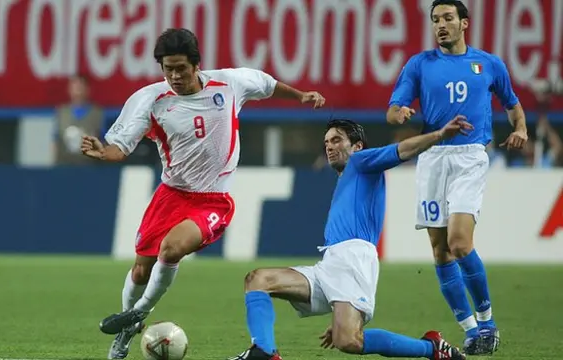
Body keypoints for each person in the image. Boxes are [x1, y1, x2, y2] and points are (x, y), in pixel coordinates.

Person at [80, 28, 326, 360]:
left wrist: (299, 96)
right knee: (141, 270)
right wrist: (102, 151)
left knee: (172, 248)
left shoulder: (229, 84)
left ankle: (139, 313)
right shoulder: (151, 100)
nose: (175, 76)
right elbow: (119, 149)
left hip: (212, 199)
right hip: (171, 195)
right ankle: (127, 327)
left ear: (196, 65)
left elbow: (267, 85)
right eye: (167, 69)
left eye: (181, 68)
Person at [227, 118, 471, 360]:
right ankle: (265, 352)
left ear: (357, 146)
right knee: (258, 279)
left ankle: (432, 348)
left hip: (354, 259)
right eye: (326, 142)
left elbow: (403, 150)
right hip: (330, 264)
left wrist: (439, 135)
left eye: (336, 140)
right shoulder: (347, 176)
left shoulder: (361, 160)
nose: (329, 146)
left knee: (349, 340)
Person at [386, 0, 528, 355]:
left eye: (448, 18)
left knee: (460, 242)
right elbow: (391, 111)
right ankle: (469, 329)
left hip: (470, 158)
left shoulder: (489, 63)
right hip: (432, 157)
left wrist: (521, 128)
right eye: (435, 20)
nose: (441, 25)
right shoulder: (419, 64)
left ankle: (488, 323)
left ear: (464, 23)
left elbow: (512, 103)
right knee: (440, 252)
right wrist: (399, 113)